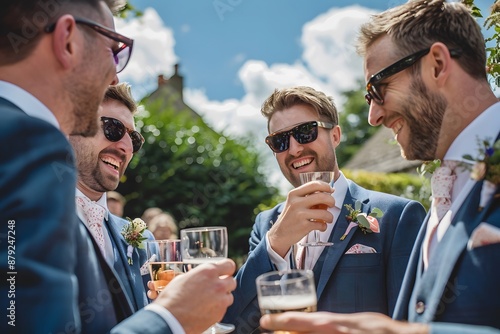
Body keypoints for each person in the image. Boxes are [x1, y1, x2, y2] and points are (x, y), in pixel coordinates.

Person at [260, 1, 500, 333]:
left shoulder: (400, 214)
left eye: (378, 88)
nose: (373, 116)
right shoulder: (449, 189)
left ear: (438, 64)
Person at [0, 1, 236, 333]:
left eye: (135, 139)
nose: (114, 73)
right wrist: (170, 318)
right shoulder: (26, 142)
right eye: (114, 51)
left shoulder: (133, 236)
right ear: (67, 39)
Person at [223, 86, 426, 333]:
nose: (295, 149)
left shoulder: (398, 216)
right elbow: (232, 325)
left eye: (306, 132)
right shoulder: (265, 225)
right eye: (280, 141)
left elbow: (410, 324)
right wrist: (276, 242)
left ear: (335, 136)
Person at [69, 83, 155, 311]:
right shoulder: (20, 222)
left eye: (135, 140)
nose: (127, 147)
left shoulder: (146, 242)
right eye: (113, 128)